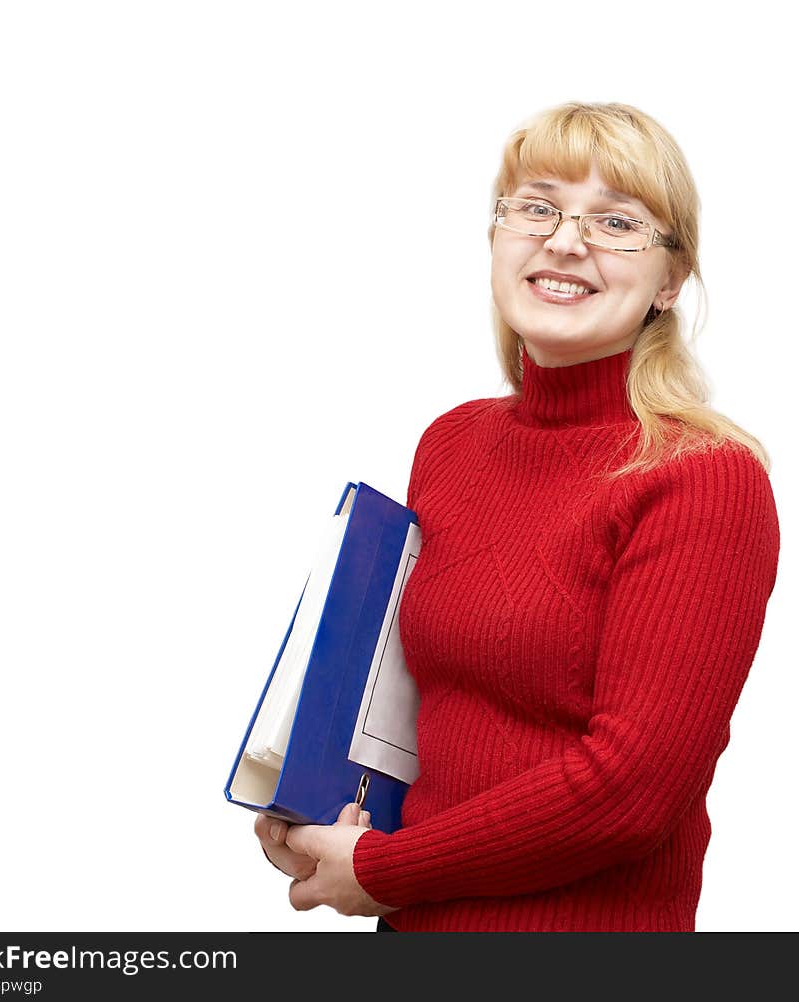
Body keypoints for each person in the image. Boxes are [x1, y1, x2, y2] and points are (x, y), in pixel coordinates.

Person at [254, 100, 781, 932]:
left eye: (617, 222)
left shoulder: (703, 479)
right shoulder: (452, 444)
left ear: (672, 281)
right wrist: (320, 814)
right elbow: (413, 708)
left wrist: (390, 869)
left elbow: (631, 790)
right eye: (537, 207)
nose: (565, 241)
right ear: (498, 236)